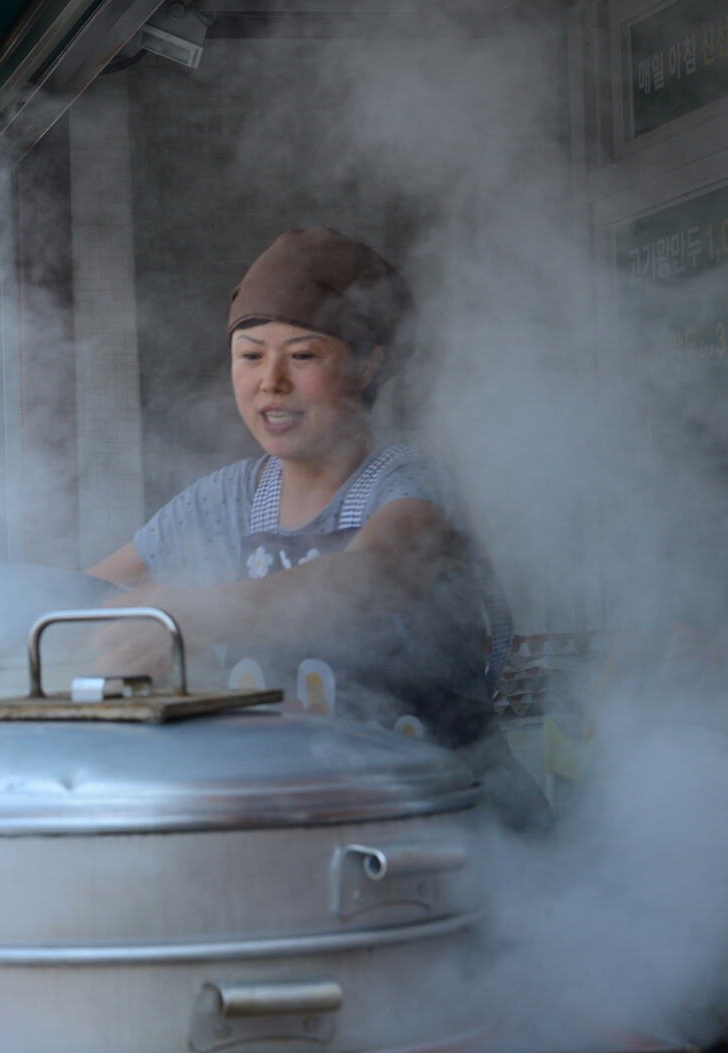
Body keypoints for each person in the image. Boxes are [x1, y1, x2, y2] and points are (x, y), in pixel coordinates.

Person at [86, 228, 544, 830]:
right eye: (250, 355)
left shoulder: (410, 484)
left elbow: (369, 578)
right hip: (314, 829)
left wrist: (199, 613)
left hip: (462, 828)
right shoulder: (224, 501)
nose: (271, 381)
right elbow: (83, 597)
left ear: (366, 363)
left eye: (302, 356)